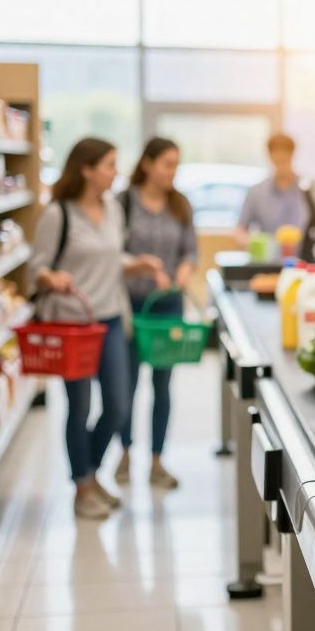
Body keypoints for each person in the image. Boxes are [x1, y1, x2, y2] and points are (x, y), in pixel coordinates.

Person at [28, 137, 168, 520]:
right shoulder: (59, 214)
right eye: (109, 165)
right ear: (86, 169)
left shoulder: (111, 209)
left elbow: (110, 258)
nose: (115, 172)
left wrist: (135, 263)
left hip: (110, 318)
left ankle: (88, 473)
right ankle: (83, 485)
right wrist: (50, 278)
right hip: (73, 324)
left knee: (119, 404)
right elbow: (35, 268)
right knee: (80, 406)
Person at [115, 137, 197, 489]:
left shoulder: (180, 205)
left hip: (168, 306)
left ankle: (157, 461)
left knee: (162, 386)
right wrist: (141, 268)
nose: (171, 172)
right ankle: (124, 454)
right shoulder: (123, 203)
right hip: (131, 307)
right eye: (166, 163)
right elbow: (111, 253)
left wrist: (180, 275)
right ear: (147, 163)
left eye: (176, 165)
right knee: (126, 384)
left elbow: (190, 252)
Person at [234, 133, 315, 248]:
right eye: (277, 160)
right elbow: (240, 230)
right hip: (269, 260)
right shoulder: (256, 192)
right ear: (270, 157)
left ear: (292, 155)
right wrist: (254, 243)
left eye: (285, 160)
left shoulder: (313, 189)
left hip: (305, 258)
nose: (281, 165)